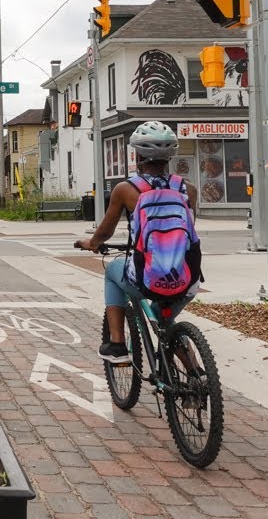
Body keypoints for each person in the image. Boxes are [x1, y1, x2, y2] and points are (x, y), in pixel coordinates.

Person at [74, 121, 200, 364]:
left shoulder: (126, 189)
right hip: (187, 278)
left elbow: (104, 233)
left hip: (148, 278)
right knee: (164, 323)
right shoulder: (189, 189)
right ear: (170, 156)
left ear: (138, 154)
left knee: (112, 271)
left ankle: (117, 346)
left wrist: (91, 243)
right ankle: (196, 377)